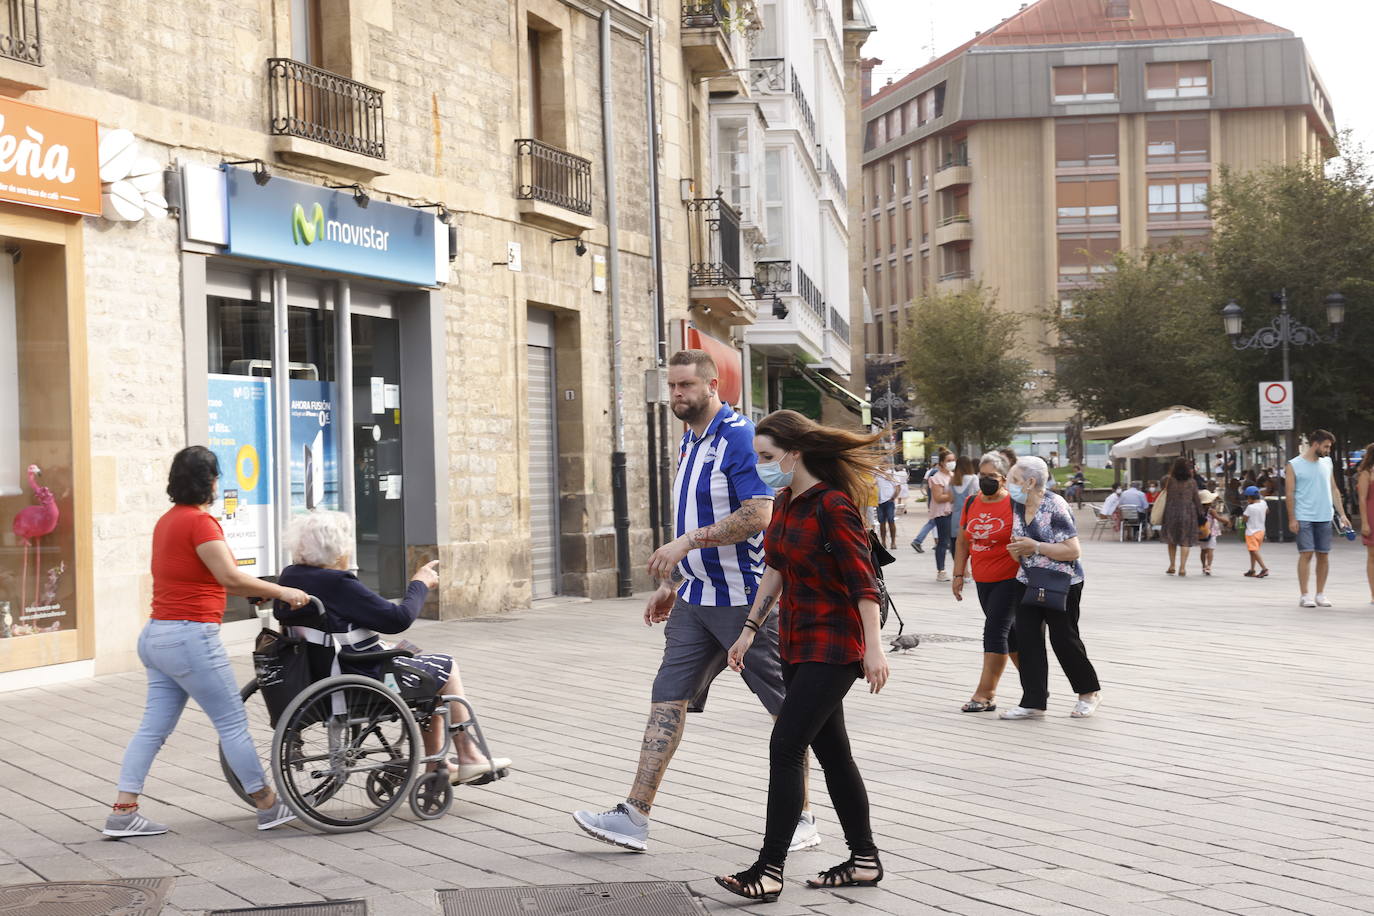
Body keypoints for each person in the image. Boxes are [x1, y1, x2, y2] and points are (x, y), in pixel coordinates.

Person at [573, 350, 819, 854]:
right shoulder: (690, 438)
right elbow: (695, 511)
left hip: (745, 600)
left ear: (712, 384)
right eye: (671, 386)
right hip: (695, 596)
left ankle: (803, 818)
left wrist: (685, 545)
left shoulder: (738, 437)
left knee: (785, 707)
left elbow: (758, 514)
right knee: (666, 698)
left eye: (685, 386)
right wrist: (675, 579)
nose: (676, 395)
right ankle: (634, 815)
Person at [714, 410, 888, 903]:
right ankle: (864, 860)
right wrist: (749, 631)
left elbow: (863, 583)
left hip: (834, 646)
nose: (763, 466)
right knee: (834, 754)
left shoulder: (834, 505)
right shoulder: (787, 501)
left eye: (768, 456)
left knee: (786, 745)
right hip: (795, 641)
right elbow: (775, 570)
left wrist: (873, 650)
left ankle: (768, 869)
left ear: (795, 453)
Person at [105, 446, 308, 838]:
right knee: (232, 723)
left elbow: (205, 577)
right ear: (210, 482)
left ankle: (123, 811)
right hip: (189, 636)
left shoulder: (167, 521)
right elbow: (229, 577)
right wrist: (281, 591)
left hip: (157, 636)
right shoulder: (201, 524)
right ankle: (267, 805)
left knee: (152, 729)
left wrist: (255, 589)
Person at [275, 511, 510, 785]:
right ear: (338, 548)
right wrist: (420, 584)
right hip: (361, 678)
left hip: (321, 675)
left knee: (426, 672)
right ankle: (467, 755)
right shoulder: (338, 583)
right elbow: (398, 619)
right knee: (446, 666)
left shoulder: (291, 576)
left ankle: (439, 764)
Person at [999, 457, 1102, 721]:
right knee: (1027, 639)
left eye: (1013, 479)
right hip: (1027, 579)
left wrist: (1035, 546)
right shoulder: (1017, 504)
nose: (1008, 484)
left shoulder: (1055, 506)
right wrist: (1018, 550)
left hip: (1061, 582)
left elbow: (1072, 550)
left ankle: (1088, 693)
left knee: (1064, 639)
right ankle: (1033, 701)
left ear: (1030, 482)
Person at [950, 452, 1019, 713]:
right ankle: (1035, 685)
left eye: (992, 476)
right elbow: (963, 540)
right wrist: (958, 574)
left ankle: (985, 694)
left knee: (994, 632)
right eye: (982, 475)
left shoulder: (1014, 504)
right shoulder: (970, 503)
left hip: (1010, 577)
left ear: (1004, 478)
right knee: (1010, 636)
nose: (986, 480)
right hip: (983, 578)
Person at [1286, 430, 1352, 608]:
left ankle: (1320, 594)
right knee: (1306, 553)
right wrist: (1292, 518)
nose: (1328, 450)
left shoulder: (1327, 462)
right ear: (1315, 444)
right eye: (1326, 446)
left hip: (1324, 515)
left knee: (1323, 555)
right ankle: (1305, 594)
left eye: (1329, 447)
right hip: (1303, 515)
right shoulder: (1294, 465)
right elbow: (1289, 493)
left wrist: (1343, 514)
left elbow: (1334, 489)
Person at [1161, 457, 1204, 576]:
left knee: (1171, 539)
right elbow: (1196, 499)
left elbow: (1163, 491)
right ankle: (1182, 567)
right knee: (1185, 540)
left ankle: (1172, 565)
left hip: (1171, 512)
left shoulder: (1167, 480)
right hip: (1188, 512)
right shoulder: (1192, 482)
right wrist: (1201, 513)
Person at [923, 450, 956, 581]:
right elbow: (938, 497)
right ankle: (941, 571)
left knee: (956, 543)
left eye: (953, 460)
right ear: (942, 462)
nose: (952, 463)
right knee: (944, 541)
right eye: (949, 460)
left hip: (955, 512)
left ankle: (959, 571)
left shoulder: (954, 475)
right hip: (943, 513)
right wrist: (955, 495)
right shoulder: (936, 478)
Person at [909, 454, 943, 552]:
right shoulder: (936, 473)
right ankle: (918, 541)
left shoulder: (933, 472)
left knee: (935, 523)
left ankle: (940, 542)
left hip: (933, 503)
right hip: (937, 504)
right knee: (933, 523)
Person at [1356, 445, 1374, 604]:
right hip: (1372, 516)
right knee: (1372, 556)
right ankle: (1373, 594)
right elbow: (1362, 499)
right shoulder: (1366, 473)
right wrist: (1365, 523)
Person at [947, 456, 978, 543]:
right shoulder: (973, 478)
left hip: (956, 516)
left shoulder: (952, 480)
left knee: (955, 543)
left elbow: (951, 500)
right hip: (970, 515)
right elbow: (978, 494)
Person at [1198, 490, 1229, 576]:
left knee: (1203, 551)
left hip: (1202, 532)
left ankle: (1204, 566)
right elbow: (1218, 518)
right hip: (1211, 532)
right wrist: (1226, 521)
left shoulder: (1198, 510)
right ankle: (1208, 566)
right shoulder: (1211, 511)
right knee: (1210, 550)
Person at [1242, 486, 1270, 578]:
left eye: (1247, 497)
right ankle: (1252, 570)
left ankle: (1264, 568)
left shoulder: (1250, 507)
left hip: (1251, 532)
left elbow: (1245, 519)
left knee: (1254, 550)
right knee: (1253, 551)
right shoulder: (1263, 503)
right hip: (1261, 531)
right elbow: (1267, 511)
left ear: (1250, 497)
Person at [875, 466, 898, 550]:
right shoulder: (876, 473)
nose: (882, 465)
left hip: (889, 501)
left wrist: (893, 497)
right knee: (882, 523)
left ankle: (893, 542)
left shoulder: (891, 473)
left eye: (884, 463)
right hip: (879, 502)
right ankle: (883, 542)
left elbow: (898, 486)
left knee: (891, 521)